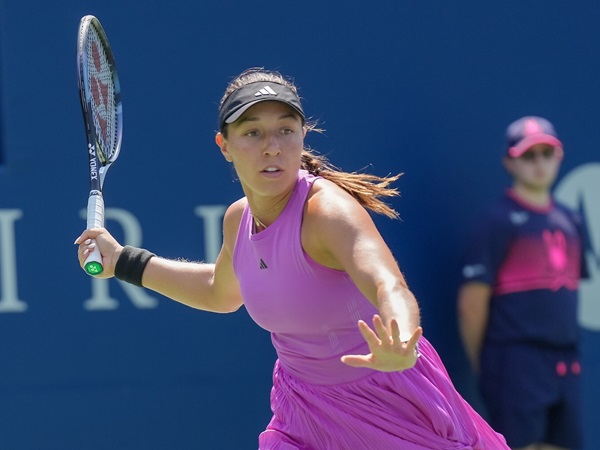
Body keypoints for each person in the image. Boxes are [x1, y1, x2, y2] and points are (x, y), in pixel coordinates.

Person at [76, 67, 508, 449]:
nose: (272, 147)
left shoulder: (326, 211)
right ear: (224, 145)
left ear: (303, 135)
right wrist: (123, 261)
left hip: (390, 401)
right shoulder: (237, 220)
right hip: (302, 410)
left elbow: (387, 284)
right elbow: (219, 292)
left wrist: (400, 339)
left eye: (286, 129)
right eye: (252, 133)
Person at [457, 116, 589, 450]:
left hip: (565, 362)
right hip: (514, 360)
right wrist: (486, 364)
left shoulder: (571, 220)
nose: (539, 164)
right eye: (529, 156)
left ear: (559, 156)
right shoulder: (497, 222)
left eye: (547, 153)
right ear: (510, 162)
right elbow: (471, 304)